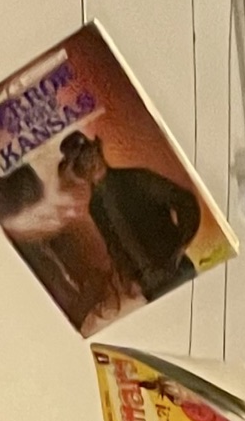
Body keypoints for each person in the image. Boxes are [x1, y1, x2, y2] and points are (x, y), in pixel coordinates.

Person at [58, 130, 202, 303]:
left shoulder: (135, 178)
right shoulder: (95, 207)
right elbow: (114, 246)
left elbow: (184, 201)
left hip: (178, 272)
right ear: (79, 172)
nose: (91, 162)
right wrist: (130, 278)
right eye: (82, 161)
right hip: (151, 287)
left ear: (98, 151)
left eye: (90, 154)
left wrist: (181, 245)